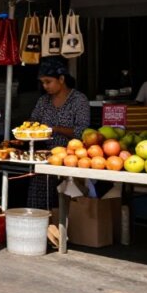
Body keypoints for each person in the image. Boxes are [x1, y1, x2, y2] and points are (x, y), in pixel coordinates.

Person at [26, 58, 90, 210]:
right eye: (42, 82)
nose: (45, 86)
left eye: (48, 81)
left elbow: (83, 132)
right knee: (40, 208)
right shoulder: (44, 101)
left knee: (68, 207)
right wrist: (29, 127)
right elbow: (33, 121)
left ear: (61, 79)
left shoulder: (78, 100)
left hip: (71, 160)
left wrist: (54, 128)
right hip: (44, 160)